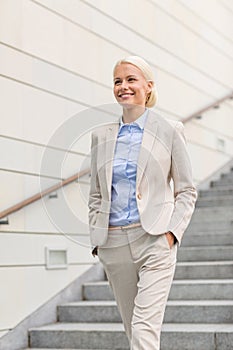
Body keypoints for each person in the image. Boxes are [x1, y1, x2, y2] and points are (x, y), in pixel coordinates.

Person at [88, 56, 197, 350]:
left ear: (148, 87)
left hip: (154, 240)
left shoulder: (170, 129)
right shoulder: (101, 136)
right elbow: (96, 193)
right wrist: (97, 238)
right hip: (113, 243)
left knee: (144, 328)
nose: (123, 86)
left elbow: (186, 190)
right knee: (131, 329)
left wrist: (172, 234)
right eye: (117, 81)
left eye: (131, 79)